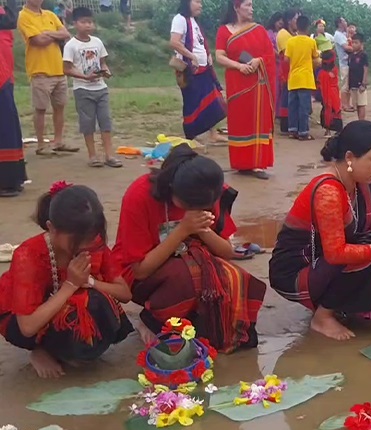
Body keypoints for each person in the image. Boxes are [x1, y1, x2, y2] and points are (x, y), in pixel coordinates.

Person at [269, 121, 371, 340]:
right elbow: (336, 254)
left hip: (324, 259)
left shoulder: (361, 182)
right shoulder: (328, 191)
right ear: (350, 157)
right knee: (366, 258)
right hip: (296, 268)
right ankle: (322, 317)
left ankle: (340, 308)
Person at [113, 145, 266, 352]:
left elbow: (226, 252)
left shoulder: (208, 190)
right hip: (142, 273)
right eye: (190, 205)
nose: (198, 209)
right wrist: (183, 230)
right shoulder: (140, 195)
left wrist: (203, 230)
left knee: (234, 278)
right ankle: (150, 320)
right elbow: (140, 270)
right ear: (171, 189)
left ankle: (199, 322)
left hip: (192, 257)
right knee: (186, 275)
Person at [0, 183, 134, 378]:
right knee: (79, 301)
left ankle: (76, 351)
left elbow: (124, 294)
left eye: (90, 237)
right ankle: (41, 350)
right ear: (51, 228)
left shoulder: (93, 242)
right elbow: (27, 327)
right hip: (25, 320)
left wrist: (90, 282)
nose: (85, 245)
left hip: (68, 303)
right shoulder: (28, 255)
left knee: (94, 301)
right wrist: (70, 285)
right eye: (77, 239)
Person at [215, 0, 276, 180]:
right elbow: (219, 56)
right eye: (247, 5)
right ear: (236, 7)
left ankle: (256, 163)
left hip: (258, 83)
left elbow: (269, 55)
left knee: (256, 120)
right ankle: (241, 163)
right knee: (239, 122)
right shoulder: (224, 31)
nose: (251, 9)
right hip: (237, 83)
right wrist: (239, 66)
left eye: (252, 5)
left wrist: (259, 61)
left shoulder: (259, 30)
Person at [62, 7, 121, 169]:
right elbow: (66, 69)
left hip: (101, 88)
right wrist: (84, 77)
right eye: (83, 22)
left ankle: (109, 155)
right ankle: (92, 155)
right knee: (87, 123)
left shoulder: (97, 42)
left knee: (105, 121)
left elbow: (102, 62)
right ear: (75, 23)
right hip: (83, 89)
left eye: (90, 22)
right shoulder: (71, 45)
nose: (88, 25)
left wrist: (106, 71)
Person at [18, 0, 76, 156]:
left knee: (60, 106)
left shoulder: (50, 14)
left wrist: (47, 33)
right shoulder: (23, 16)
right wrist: (55, 35)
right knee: (41, 108)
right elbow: (38, 41)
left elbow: (65, 34)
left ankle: (58, 141)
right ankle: (41, 144)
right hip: (39, 69)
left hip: (58, 68)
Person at [170, 0, 227, 144]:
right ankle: (191, 137)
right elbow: (174, 42)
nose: (200, 5)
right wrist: (192, 56)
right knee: (192, 102)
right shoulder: (180, 19)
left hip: (204, 68)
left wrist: (207, 55)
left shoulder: (194, 21)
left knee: (212, 99)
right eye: (197, 1)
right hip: (190, 70)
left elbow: (199, 42)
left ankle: (213, 133)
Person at [0, 0, 27, 198]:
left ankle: (12, 178)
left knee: (8, 125)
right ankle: (6, 181)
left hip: (4, 72)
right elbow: (9, 21)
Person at [284, 15, 317, 141]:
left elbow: (286, 59)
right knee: (304, 107)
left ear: (296, 26)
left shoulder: (290, 41)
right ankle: (303, 132)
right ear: (307, 27)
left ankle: (292, 130)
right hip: (306, 78)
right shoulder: (311, 42)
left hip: (293, 78)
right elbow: (315, 57)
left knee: (292, 106)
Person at [276, 9, 299, 134]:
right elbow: (287, 54)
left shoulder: (295, 34)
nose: (298, 21)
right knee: (287, 96)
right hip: (287, 70)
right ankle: (286, 124)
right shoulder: (283, 34)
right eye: (296, 18)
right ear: (289, 20)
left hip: (295, 69)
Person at [318, 34, 343, 137]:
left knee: (327, 110)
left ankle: (327, 130)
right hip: (333, 94)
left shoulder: (322, 73)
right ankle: (337, 130)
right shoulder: (334, 70)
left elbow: (319, 84)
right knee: (334, 111)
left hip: (326, 94)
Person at [332, 17, 353, 113]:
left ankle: (347, 103)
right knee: (345, 84)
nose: (346, 22)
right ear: (339, 24)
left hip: (349, 62)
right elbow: (346, 48)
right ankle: (344, 104)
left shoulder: (344, 34)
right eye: (344, 21)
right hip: (344, 62)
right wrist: (356, 48)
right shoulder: (338, 35)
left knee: (349, 84)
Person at [265, 11, 283, 113]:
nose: (280, 25)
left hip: (280, 64)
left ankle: (279, 111)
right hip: (273, 64)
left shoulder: (281, 33)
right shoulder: (269, 33)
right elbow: (270, 48)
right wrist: (280, 54)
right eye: (279, 23)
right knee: (274, 88)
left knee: (280, 88)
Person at [347, 33, 368, 121]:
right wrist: (348, 84)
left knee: (361, 104)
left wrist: (364, 83)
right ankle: (359, 120)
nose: (354, 44)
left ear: (361, 44)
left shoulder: (363, 55)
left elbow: (365, 69)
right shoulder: (351, 55)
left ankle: (362, 121)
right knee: (356, 104)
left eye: (356, 43)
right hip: (353, 83)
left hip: (360, 84)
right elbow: (349, 70)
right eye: (353, 42)